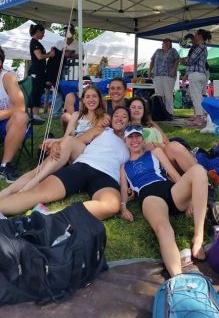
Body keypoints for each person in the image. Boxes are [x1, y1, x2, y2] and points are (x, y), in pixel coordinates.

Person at [0, 106, 130, 218]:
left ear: (128, 122)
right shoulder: (102, 131)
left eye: (124, 116)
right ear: (111, 119)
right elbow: (74, 140)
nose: (119, 118)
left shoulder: (133, 142)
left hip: (108, 176)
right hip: (84, 166)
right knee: (39, 193)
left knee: (111, 206)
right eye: (116, 115)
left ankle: (55, 214)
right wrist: (57, 143)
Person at [120, 124, 208, 277]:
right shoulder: (124, 166)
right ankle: (178, 278)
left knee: (199, 171)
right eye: (130, 137)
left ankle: (198, 236)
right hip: (149, 196)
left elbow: (174, 175)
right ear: (125, 140)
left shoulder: (155, 152)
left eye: (137, 136)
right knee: (164, 229)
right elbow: (123, 189)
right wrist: (123, 207)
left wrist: (190, 196)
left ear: (142, 138)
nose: (134, 140)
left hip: (169, 190)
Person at [1, 85, 109, 195]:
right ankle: (5, 192)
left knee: (68, 142)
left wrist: (58, 142)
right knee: (38, 169)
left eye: (94, 96)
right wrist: (54, 141)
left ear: (99, 99)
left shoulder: (103, 117)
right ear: (83, 100)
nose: (91, 100)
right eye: (88, 97)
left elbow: (89, 137)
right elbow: (66, 136)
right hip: (69, 148)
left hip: (87, 154)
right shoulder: (77, 115)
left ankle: (30, 186)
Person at [128, 97, 196, 175]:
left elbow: (166, 142)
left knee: (175, 144)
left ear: (144, 111)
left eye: (140, 108)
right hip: (150, 161)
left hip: (164, 155)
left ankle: (202, 176)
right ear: (128, 109)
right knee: (175, 146)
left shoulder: (150, 128)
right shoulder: (127, 129)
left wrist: (153, 124)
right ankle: (202, 176)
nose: (136, 110)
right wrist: (157, 145)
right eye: (133, 107)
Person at [0, 47, 28, 183]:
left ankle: (5, 166)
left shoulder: (7, 77)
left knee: (21, 117)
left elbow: (20, 107)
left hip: (6, 122)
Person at [183, 29, 212, 126]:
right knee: (198, 96)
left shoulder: (200, 47)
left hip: (196, 74)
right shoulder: (202, 47)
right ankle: (200, 117)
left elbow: (191, 60)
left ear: (199, 36)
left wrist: (184, 61)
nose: (194, 36)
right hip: (198, 74)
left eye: (196, 34)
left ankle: (199, 118)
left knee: (197, 97)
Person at [28, 24, 55, 120]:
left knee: (39, 92)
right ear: (38, 32)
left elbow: (41, 55)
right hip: (35, 72)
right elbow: (39, 56)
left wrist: (49, 53)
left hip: (40, 72)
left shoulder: (37, 43)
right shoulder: (34, 42)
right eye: (43, 33)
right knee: (35, 92)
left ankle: (36, 114)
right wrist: (49, 55)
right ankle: (33, 114)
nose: (43, 35)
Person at [148, 38, 179, 116]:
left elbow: (177, 60)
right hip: (157, 75)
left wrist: (173, 70)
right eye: (163, 42)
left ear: (170, 43)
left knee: (168, 94)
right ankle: (160, 112)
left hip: (169, 75)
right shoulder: (158, 51)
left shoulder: (173, 50)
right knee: (158, 94)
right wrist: (149, 70)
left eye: (167, 42)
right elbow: (152, 60)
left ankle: (169, 112)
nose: (164, 43)